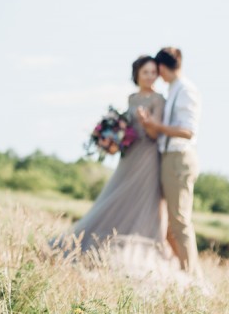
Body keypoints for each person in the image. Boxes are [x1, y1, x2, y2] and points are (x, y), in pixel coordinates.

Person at [57, 56, 169, 258]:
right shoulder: (132, 98)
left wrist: (147, 123)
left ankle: (133, 250)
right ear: (137, 74)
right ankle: (98, 244)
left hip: (148, 156)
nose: (150, 77)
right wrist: (111, 138)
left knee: (141, 200)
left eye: (153, 73)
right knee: (115, 195)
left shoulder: (159, 100)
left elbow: (155, 134)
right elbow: (126, 128)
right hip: (129, 154)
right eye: (146, 72)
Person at [139, 47, 202, 277]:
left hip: (179, 159)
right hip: (168, 159)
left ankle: (193, 278)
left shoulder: (186, 90)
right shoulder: (174, 89)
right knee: (168, 225)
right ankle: (183, 272)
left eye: (158, 71)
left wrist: (156, 127)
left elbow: (188, 131)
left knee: (180, 222)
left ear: (163, 68)